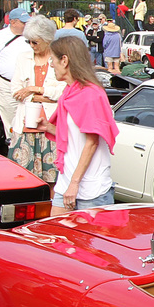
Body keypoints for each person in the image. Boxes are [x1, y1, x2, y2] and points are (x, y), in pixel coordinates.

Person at [44, 35, 118, 213]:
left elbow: (91, 142)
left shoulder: (91, 94)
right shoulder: (69, 92)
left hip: (91, 191)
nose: (51, 64)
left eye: (52, 59)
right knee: (55, 238)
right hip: (66, 182)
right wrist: (46, 127)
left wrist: (74, 184)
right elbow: (70, 136)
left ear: (64, 60)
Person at [6, 16, 65, 183]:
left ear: (47, 40)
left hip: (51, 127)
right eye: (29, 42)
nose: (32, 46)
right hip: (25, 126)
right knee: (22, 178)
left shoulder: (58, 59)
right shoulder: (23, 58)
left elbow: (64, 92)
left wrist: (34, 90)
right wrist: (43, 97)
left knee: (54, 177)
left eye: (35, 42)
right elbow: (16, 91)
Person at [0, 7, 32, 131]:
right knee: (10, 120)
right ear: (13, 22)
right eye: (23, 22)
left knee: (28, 119)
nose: (26, 25)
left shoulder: (32, 36)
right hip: (7, 84)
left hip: (27, 85)